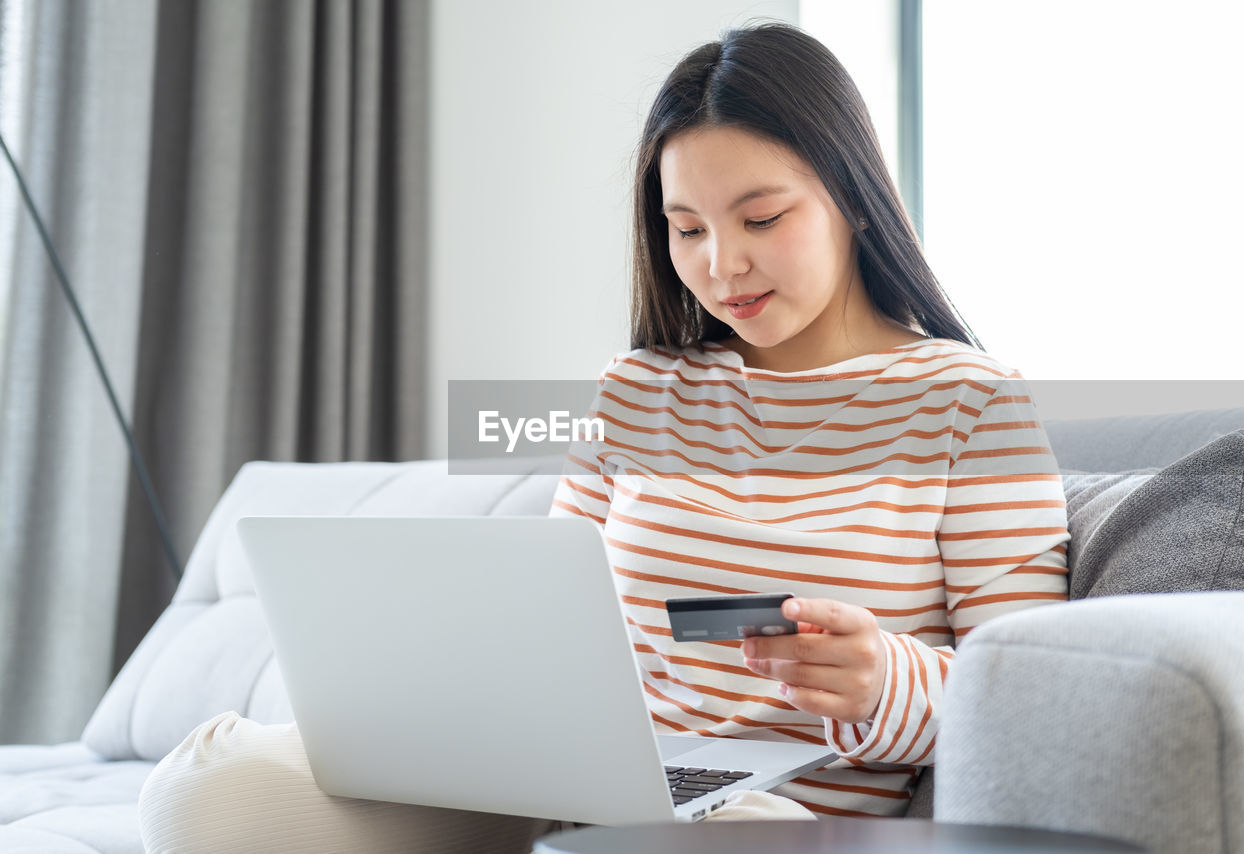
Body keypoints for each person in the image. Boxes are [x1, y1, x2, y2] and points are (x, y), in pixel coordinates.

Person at [138, 20, 1069, 852]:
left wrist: (882, 680)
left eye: (762, 218)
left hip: (769, 810)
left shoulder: (970, 403)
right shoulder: (638, 391)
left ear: (854, 196)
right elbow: (547, 618)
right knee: (202, 794)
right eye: (685, 228)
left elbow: (1030, 699)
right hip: (553, 778)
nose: (721, 264)